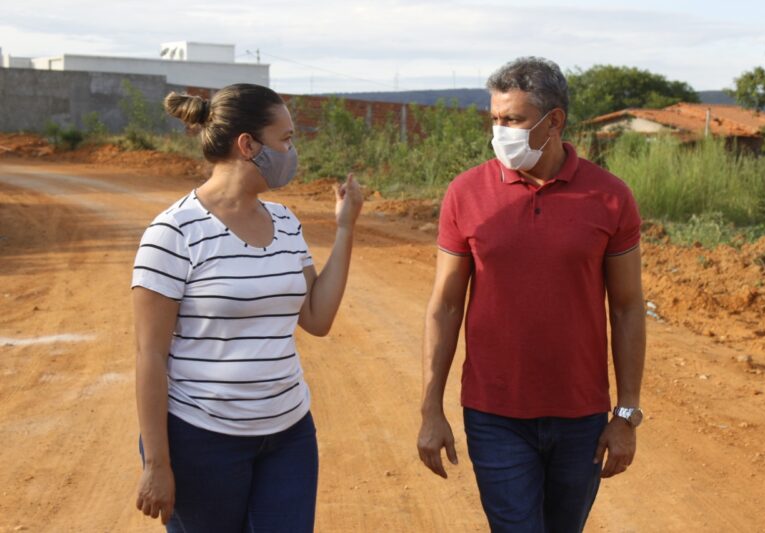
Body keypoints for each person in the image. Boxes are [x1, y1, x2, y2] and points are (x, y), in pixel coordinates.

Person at [416, 57, 646, 532]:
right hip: (493, 413)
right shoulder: (466, 193)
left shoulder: (611, 197)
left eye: (514, 120)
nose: (500, 131)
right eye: (496, 119)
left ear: (554, 121)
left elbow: (626, 309)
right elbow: (445, 305)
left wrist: (625, 413)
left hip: (581, 416)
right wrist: (431, 409)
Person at [132, 83, 363, 532]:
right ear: (248, 145)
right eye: (286, 139)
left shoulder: (285, 222)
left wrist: (345, 230)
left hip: (289, 434)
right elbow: (149, 356)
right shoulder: (174, 233)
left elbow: (316, 318)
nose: (292, 151)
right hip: (201, 441)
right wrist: (157, 463)